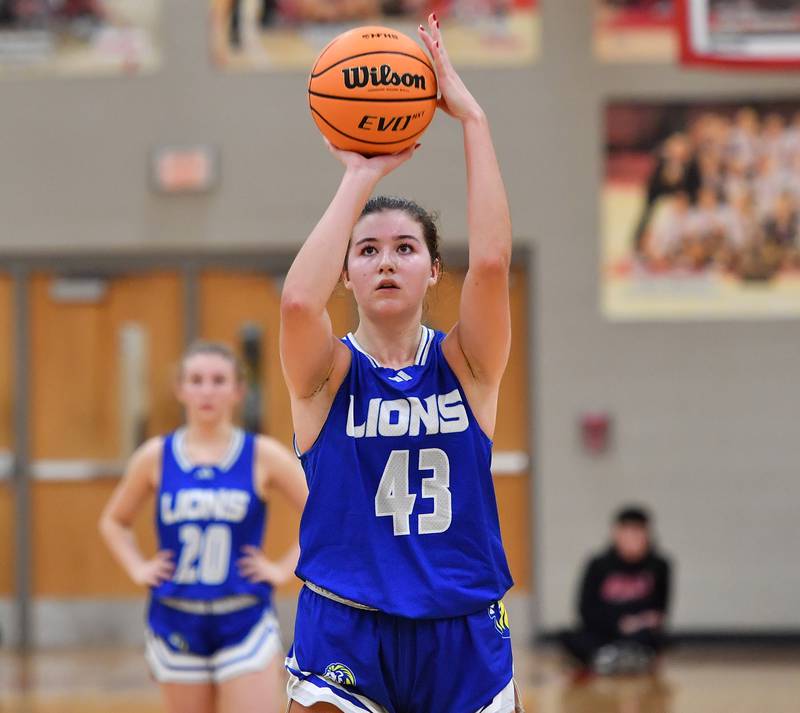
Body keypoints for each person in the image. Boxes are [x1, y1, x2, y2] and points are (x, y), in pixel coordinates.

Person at [279, 14, 520, 713]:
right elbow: (297, 302)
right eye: (368, 249)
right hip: (345, 621)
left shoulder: (468, 364)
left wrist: (471, 118)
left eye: (406, 248)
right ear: (347, 275)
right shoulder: (326, 374)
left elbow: (496, 262)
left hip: (463, 625)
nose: (386, 258)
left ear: (435, 270)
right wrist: (360, 174)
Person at [99, 341, 308, 713]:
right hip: (176, 614)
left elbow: (321, 512)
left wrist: (281, 569)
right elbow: (114, 521)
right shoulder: (155, 456)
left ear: (238, 390)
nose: (207, 391)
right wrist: (138, 568)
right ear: (180, 390)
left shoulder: (261, 454)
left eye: (218, 380)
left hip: (244, 615)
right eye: (196, 380)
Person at [562, 506, 671, 677]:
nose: (633, 539)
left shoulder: (659, 566)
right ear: (616, 534)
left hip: (639, 632)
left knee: (655, 639)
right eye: (628, 532)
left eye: (638, 533)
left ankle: (616, 657)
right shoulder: (598, 565)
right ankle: (615, 657)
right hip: (604, 631)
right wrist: (619, 623)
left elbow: (659, 611)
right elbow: (585, 609)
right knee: (570, 638)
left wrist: (636, 622)